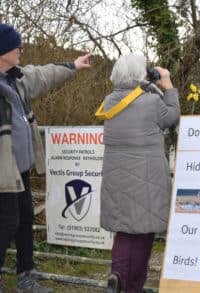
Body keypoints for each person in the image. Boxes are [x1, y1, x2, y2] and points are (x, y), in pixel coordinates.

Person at [0, 23, 91, 293]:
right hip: (3, 173)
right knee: (7, 222)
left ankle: (26, 276)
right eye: (16, 46)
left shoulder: (16, 78)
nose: (20, 50)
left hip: (21, 168)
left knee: (25, 220)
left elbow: (43, 75)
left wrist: (73, 65)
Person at [98, 53, 180, 293]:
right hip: (146, 180)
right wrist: (168, 85)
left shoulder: (109, 102)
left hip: (116, 179)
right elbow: (172, 117)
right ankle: (132, 286)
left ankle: (117, 275)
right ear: (140, 75)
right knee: (143, 234)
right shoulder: (151, 102)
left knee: (124, 231)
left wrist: (148, 86)